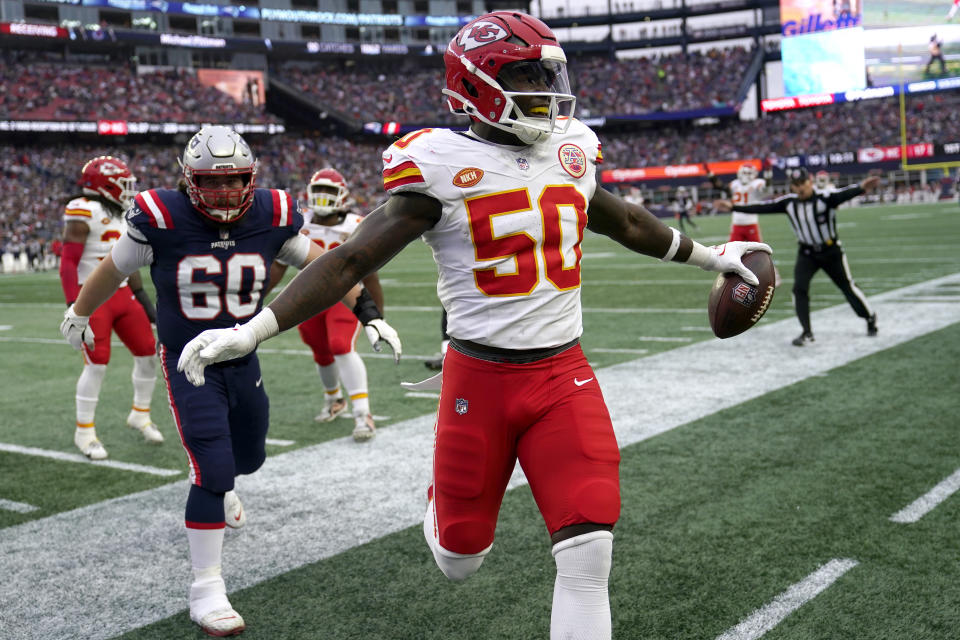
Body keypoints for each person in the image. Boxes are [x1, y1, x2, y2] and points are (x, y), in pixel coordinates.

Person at [175, 14, 769, 639]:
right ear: (477, 85)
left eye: (550, 74)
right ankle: (441, 509)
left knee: (590, 549)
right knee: (460, 558)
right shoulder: (436, 165)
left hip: (562, 373)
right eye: (529, 75)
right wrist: (253, 331)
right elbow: (349, 260)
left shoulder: (569, 150)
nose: (548, 89)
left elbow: (624, 221)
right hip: (477, 381)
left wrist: (711, 257)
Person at [59, 126, 401, 637]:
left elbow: (327, 269)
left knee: (249, 458)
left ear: (251, 178)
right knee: (212, 468)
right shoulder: (162, 217)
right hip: (187, 360)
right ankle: (207, 590)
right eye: (211, 183)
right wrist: (80, 311)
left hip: (243, 356)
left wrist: (369, 312)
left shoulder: (271, 214)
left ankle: (224, 488)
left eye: (235, 181)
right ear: (188, 180)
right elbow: (112, 269)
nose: (224, 193)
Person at [60, 156, 162, 459]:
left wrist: (144, 301)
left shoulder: (124, 213)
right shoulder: (82, 208)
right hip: (91, 296)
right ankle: (85, 431)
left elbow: (126, 261)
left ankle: (140, 414)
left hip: (122, 295)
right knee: (97, 363)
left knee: (148, 353)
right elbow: (68, 261)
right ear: (104, 185)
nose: (129, 190)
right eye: (122, 184)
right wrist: (73, 308)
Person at [716, 167, 880, 347]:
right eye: (796, 185)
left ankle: (869, 317)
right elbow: (763, 207)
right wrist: (734, 207)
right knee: (799, 289)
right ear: (792, 187)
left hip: (830, 251)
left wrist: (862, 188)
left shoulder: (825, 198)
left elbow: (843, 194)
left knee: (847, 287)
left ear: (809, 182)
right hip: (807, 253)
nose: (800, 188)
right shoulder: (790, 202)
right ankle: (807, 332)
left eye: (802, 183)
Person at [286, 167, 387, 440]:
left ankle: (362, 413)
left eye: (328, 191)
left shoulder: (356, 225)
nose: (321, 197)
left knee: (341, 346)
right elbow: (277, 264)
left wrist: (376, 314)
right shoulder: (300, 221)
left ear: (342, 195)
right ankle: (334, 400)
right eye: (317, 190)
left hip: (346, 295)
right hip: (309, 296)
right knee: (320, 350)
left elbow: (371, 273)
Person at [710, 164, 781, 286]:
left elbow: (767, 187)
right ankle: (729, 280)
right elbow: (721, 187)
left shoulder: (756, 184)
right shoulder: (735, 184)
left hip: (751, 224)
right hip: (737, 224)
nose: (746, 176)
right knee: (728, 254)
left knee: (761, 253)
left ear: (754, 174)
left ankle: (774, 274)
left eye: (749, 173)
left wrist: (769, 174)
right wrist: (712, 177)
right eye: (745, 173)